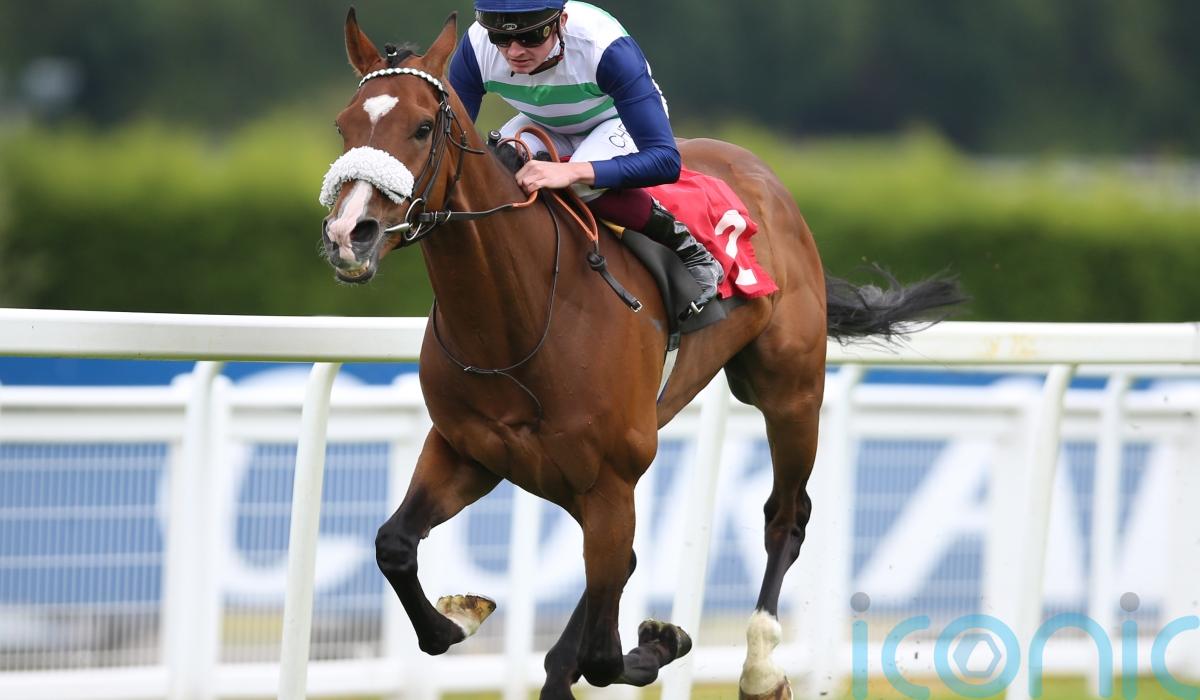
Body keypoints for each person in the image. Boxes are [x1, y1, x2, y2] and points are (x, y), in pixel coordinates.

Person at [449, 0, 724, 316]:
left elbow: (665, 161)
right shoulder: (475, 46)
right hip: (544, 122)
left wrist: (572, 171)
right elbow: (455, 145)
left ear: (561, 21)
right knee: (499, 171)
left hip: (615, 119)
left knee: (578, 185)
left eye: (530, 36)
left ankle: (692, 251)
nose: (514, 51)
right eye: (500, 37)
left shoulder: (605, 48)